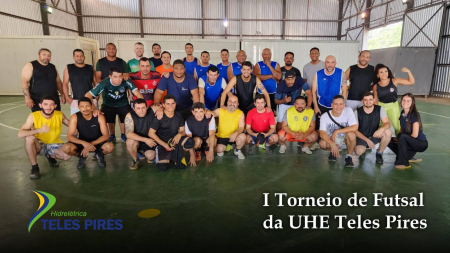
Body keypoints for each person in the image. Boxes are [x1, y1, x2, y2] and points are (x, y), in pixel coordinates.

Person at [18, 94, 71, 179]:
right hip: (39, 145)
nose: (48, 107)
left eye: (51, 104)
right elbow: (20, 134)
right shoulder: (33, 116)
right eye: (45, 104)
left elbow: (71, 124)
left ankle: (49, 156)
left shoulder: (59, 114)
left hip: (53, 143)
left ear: (55, 106)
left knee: (67, 156)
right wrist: (39, 130)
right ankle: (34, 167)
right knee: (29, 138)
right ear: (40, 105)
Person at [85, 67, 143, 143]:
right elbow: (87, 95)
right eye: (115, 77)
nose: (118, 79)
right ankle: (111, 135)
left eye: (120, 76)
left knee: (126, 117)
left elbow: (138, 94)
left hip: (123, 103)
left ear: (122, 76)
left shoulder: (126, 81)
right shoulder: (104, 83)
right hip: (108, 104)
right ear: (110, 76)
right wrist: (94, 108)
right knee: (103, 117)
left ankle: (124, 135)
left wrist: (140, 107)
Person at [61, 97, 113, 169]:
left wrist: (90, 145)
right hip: (82, 142)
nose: (85, 109)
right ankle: (82, 156)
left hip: (97, 142)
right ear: (79, 107)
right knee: (66, 148)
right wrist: (84, 143)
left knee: (109, 147)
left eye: (87, 106)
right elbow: (69, 136)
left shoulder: (99, 116)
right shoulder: (74, 117)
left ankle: (99, 154)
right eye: (82, 106)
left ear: (91, 106)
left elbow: (106, 136)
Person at [149, 95, 195, 172]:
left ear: (175, 104)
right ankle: (168, 155)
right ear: (163, 105)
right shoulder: (159, 116)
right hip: (162, 143)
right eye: (168, 104)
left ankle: (173, 153)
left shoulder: (178, 115)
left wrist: (179, 135)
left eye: (172, 103)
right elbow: (151, 133)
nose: (171, 106)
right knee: (162, 167)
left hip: (174, 141)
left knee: (190, 142)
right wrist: (164, 144)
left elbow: (183, 131)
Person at [388, 93, 428, 169]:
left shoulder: (414, 114)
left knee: (401, 136)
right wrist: (399, 139)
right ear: (401, 101)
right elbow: (401, 129)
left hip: (420, 143)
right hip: (409, 141)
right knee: (388, 139)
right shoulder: (403, 112)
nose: (405, 102)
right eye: (404, 100)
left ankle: (403, 163)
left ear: (412, 102)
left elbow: (415, 135)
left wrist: (401, 140)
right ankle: (407, 156)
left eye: (408, 101)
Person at [373, 64, 415, 135]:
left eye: (385, 71)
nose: (384, 74)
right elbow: (375, 100)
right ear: (377, 75)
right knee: (382, 126)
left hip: (393, 106)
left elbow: (411, 82)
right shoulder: (376, 86)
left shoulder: (394, 81)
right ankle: (381, 144)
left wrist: (408, 71)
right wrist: (376, 111)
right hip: (381, 106)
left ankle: (399, 141)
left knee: (397, 126)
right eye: (381, 72)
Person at [319, 95, 357, 168]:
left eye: (340, 104)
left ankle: (349, 156)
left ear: (344, 105)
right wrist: (332, 144)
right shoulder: (325, 116)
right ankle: (333, 151)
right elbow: (322, 133)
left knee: (351, 134)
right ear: (332, 105)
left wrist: (337, 131)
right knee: (322, 143)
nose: (338, 106)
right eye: (336, 104)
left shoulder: (348, 110)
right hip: (332, 140)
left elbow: (354, 127)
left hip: (345, 140)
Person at [354, 92, 392, 164]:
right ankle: (364, 150)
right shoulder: (357, 111)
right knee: (358, 152)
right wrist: (367, 140)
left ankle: (379, 152)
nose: (368, 102)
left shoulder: (379, 109)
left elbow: (387, 123)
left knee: (388, 132)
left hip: (375, 135)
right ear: (362, 101)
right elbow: (355, 130)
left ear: (374, 100)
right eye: (365, 100)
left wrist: (381, 129)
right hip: (362, 137)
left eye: (370, 99)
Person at [312, 55, 348, 131]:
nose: (330, 65)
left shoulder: (341, 73)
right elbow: (313, 91)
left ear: (335, 63)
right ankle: (320, 141)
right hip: (321, 104)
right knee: (320, 127)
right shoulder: (317, 74)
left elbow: (345, 91)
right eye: (328, 62)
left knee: (333, 126)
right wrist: (316, 106)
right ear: (324, 63)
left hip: (335, 105)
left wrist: (342, 105)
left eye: (332, 62)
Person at [124, 98, 163, 170]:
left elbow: (165, 106)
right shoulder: (130, 116)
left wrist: (161, 109)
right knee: (129, 141)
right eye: (138, 108)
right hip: (139, 140)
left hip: (151, 140)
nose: (141, 111)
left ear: (147, 107)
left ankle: (145, 154)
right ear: (134, 109)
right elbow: (128, 134)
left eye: (143, 108)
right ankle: (135, 160)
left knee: (150, 156)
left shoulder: (152, 110)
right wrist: (145, 140)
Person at [210, 95, 246, 159]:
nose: (232, 103)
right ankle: (227, 146)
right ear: (227, 103)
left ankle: (237, 150)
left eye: (235, 102)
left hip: (234, 136)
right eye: (230, 101)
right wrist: (207, 112)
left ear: (238, 104)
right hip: (222, 136)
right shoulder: (221, 110)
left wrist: (235, 133)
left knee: (243, 137)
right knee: (219, 150)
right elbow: (212, 113)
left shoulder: (240, 113)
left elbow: (241, 127)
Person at [63, 49, 96, 115]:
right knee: (76, 121)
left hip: (91, 99)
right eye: (77, 56)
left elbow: (95, 82)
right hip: (76, 99)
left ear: (84, 57)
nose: (79, 58)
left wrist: (97, 96)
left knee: (93, 120)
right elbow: (65, 83)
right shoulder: (69, 67)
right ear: (74, 57)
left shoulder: (90, 68)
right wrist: (67, 97)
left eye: (81, 56)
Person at [253, 48, 282, 112]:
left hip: (273, 93)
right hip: (261, 93)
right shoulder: (258, 64)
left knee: (271, 112)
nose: (267, 56)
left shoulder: (276, 64)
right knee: (260, 111)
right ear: (262, 55)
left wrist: (269, 65)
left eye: (268, 54)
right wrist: (271, 76)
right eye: (265, 54)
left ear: (271, 55)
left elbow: (279, 77)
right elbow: (257, 77)